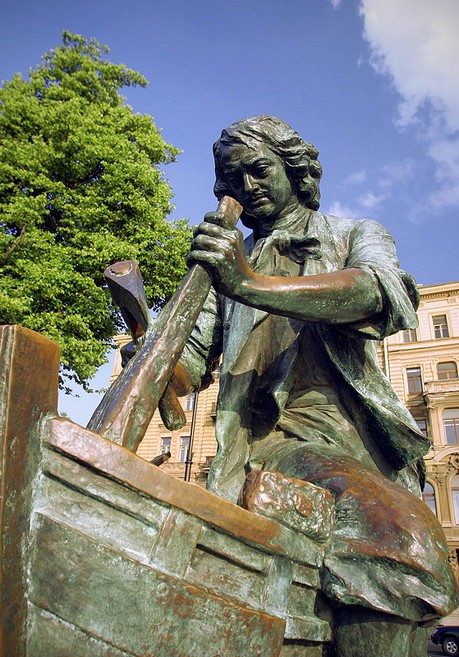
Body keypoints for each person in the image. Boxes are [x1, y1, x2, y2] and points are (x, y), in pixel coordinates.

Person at [170, 116, 458, 654]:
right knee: (398, 534)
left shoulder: (352, 234)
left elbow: (378, 294)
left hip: (356, 442)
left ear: (295, 169)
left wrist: (251, 284)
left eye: (259, 170)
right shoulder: (226, 263)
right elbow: (189, 363)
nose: (247, 189)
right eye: (234, 182)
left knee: (400, 539)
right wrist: (157, 356)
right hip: (269, 443)